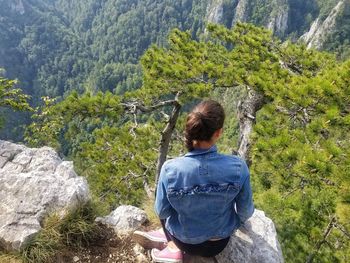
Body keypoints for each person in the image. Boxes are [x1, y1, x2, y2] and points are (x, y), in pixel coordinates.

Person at [133, 100, 254, 263]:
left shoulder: (170, 169)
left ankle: (172, 246)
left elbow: (162, 212)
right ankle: (170, 244)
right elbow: (245, 211)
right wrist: (231, 222)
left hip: (184, 241)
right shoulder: (238, 167)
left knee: (163, 203)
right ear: (218, 133)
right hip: (218, 244)